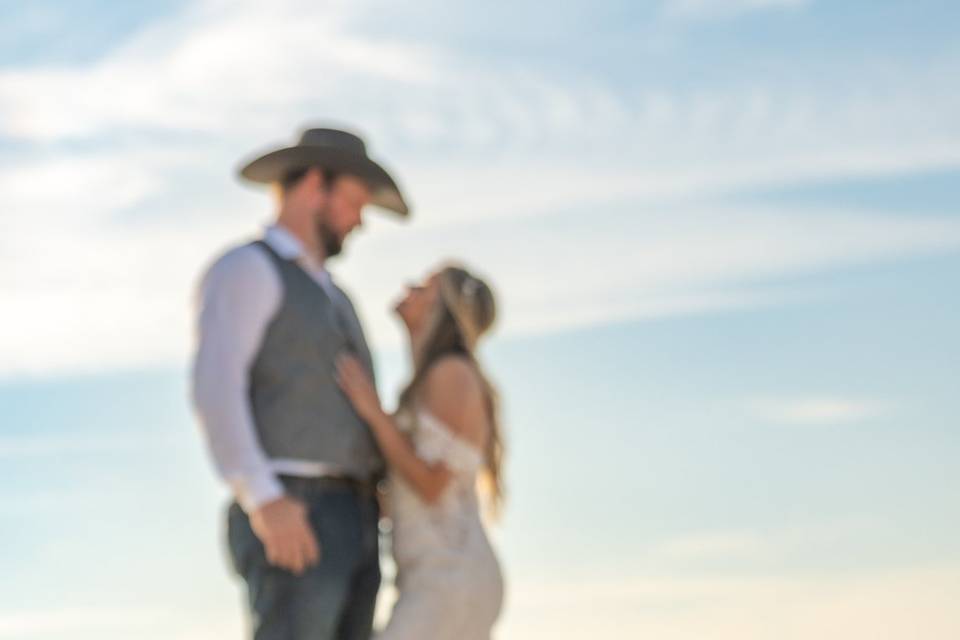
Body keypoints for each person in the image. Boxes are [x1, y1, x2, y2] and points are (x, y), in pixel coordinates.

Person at [191, 126, 410, 640]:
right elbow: (215, 386)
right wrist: (263, 498)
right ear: (316, 185)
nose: (360, 221)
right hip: (295, 505)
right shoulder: (248, 268)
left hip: (354, 517)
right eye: (355, 202)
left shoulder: (335, 295)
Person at [336, 263, 505, 640]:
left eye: (424, 287)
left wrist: (373, 413)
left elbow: (432, 486)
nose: (408, 287)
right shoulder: (431, 378)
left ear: (442, 309)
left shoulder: (451, 373)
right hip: (433, 576)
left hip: (449, 577)